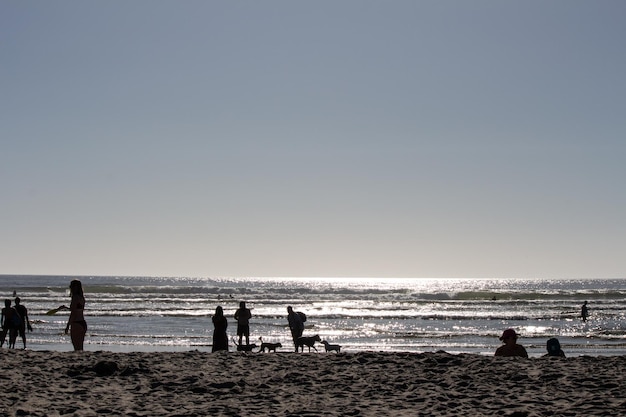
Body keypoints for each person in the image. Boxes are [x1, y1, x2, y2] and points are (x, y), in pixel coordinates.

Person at [65, 279, 87, 351]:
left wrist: (68, 325)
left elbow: (73, 313)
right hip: (82, 323)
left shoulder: (75, 298)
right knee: (80, 347)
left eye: (71, 286)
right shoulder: (82, 298)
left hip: (76, 323)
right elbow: (77, 309)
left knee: (76, 347)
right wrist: (65, 308)